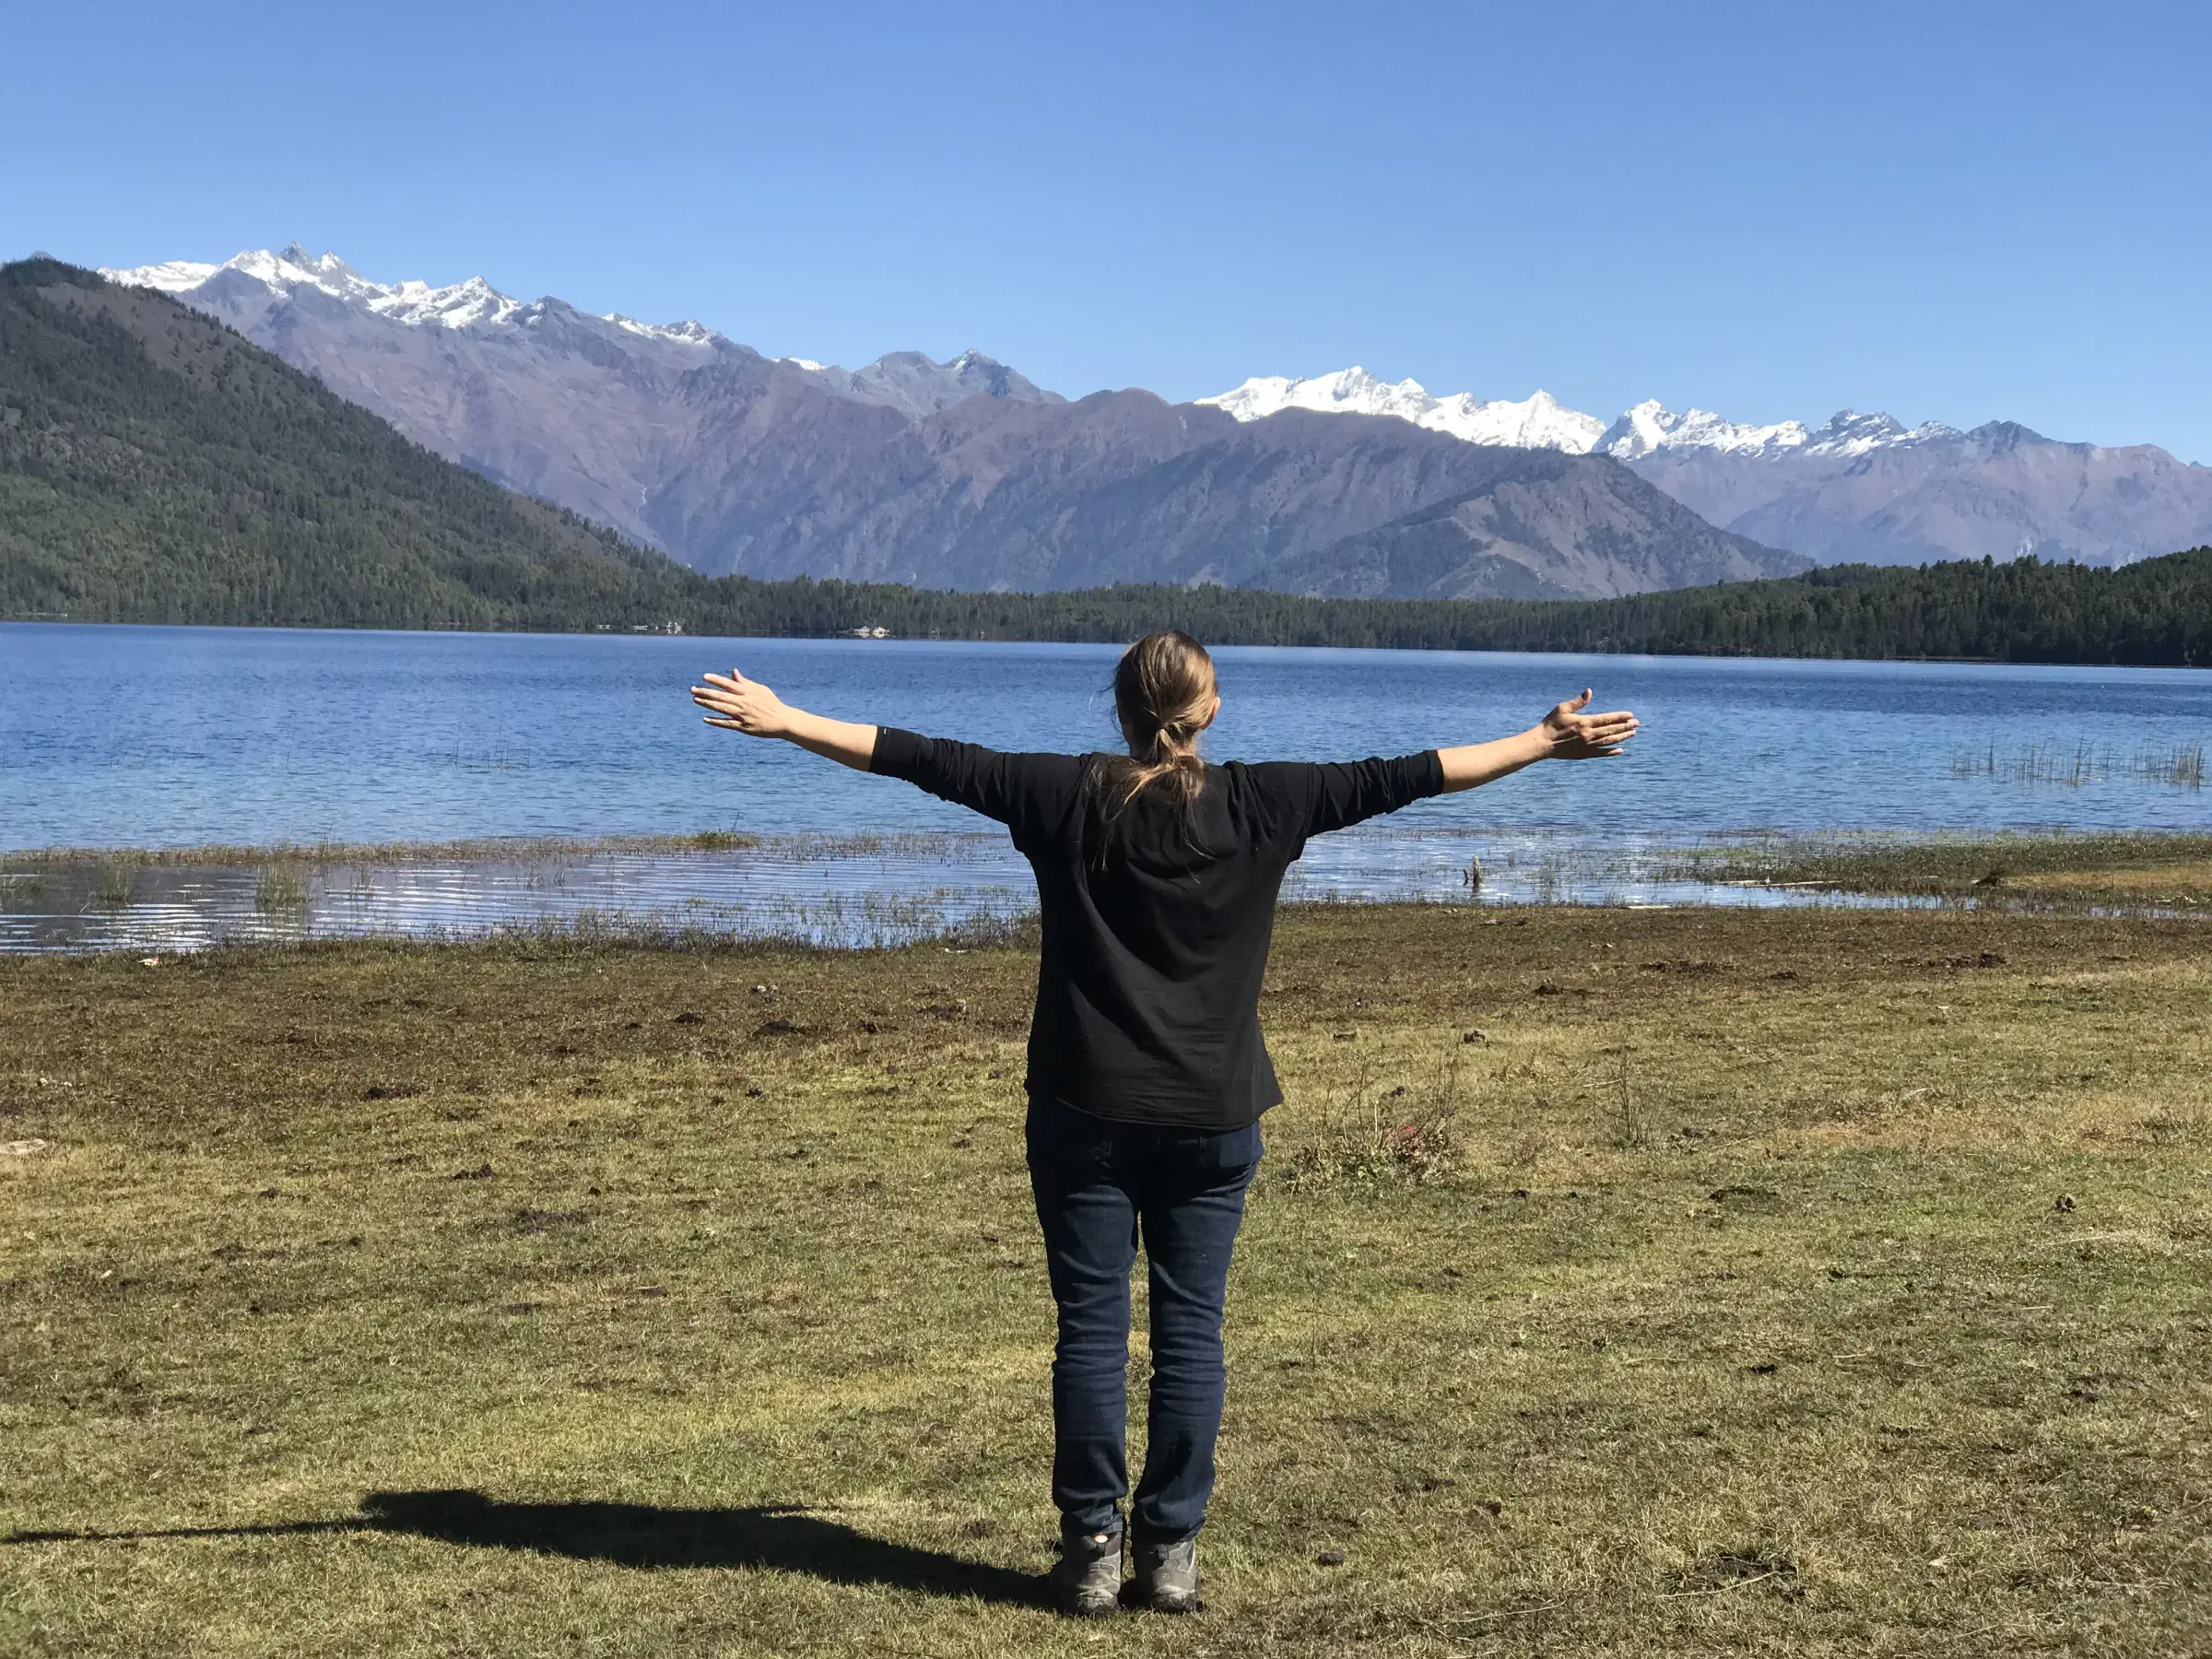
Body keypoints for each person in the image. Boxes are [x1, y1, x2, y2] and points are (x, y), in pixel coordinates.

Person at [691, 631, 1638, 1617]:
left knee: (1093, 1333)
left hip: (1082, 1111)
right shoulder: (1267, 801)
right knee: (1192, 1336)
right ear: (1210, 711)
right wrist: (1541, 740)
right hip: (1211, 1118)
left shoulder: (1063, 793)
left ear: (1121, 709)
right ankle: (1171, 1553)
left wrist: (788, 718)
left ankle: (1094, 1551)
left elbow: (921, 757)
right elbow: (1411, 776)